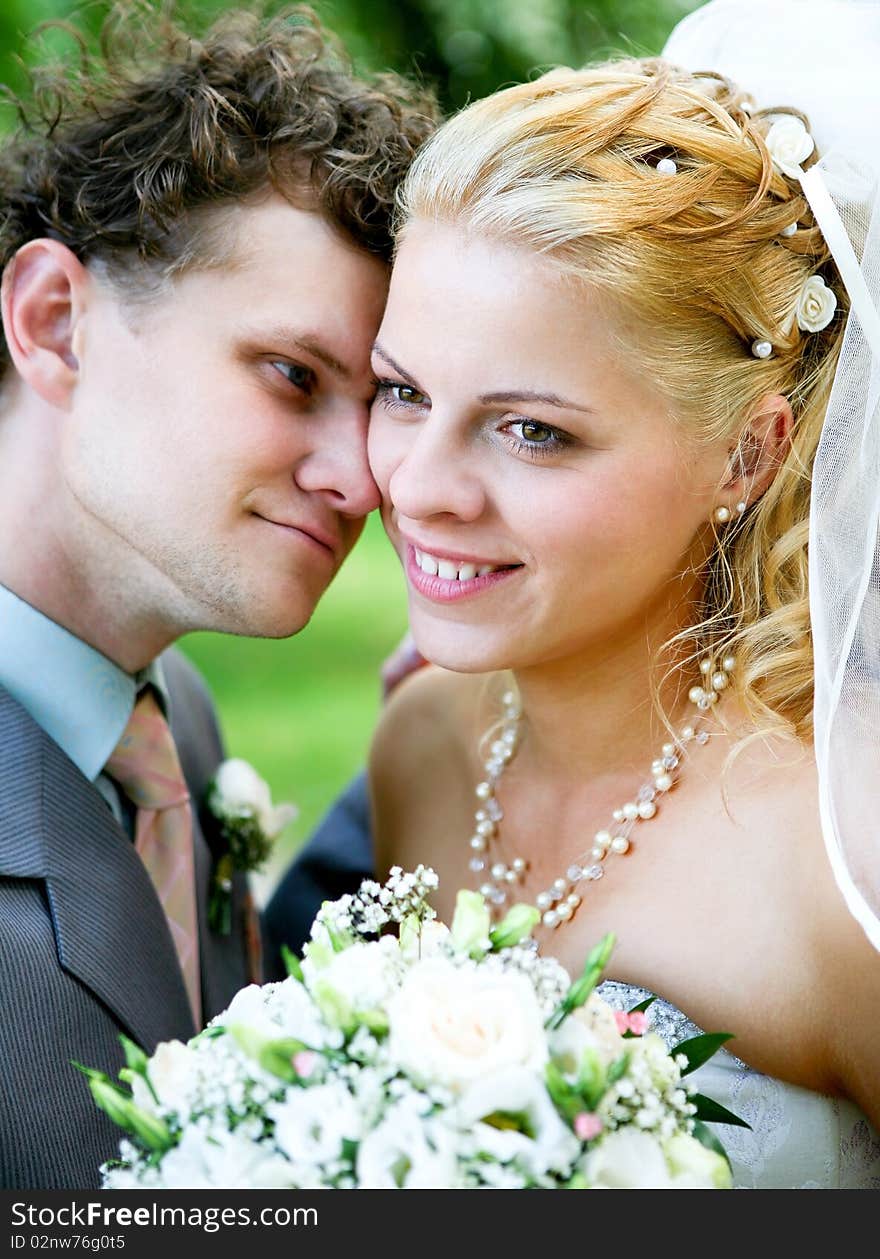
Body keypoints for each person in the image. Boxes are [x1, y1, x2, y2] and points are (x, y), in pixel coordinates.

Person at [267, 4, 880, 1188]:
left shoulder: (841, 846)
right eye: (402, 392)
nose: (420, 487)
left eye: (532, 431)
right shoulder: (423, 745)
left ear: (746, 457)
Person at [0, 3, 434, 1190]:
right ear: (56, 323)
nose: (360, 479)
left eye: (385, 401)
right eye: (294, 375)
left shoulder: (167, 715)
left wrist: (434, 774)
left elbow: (200, 1046)